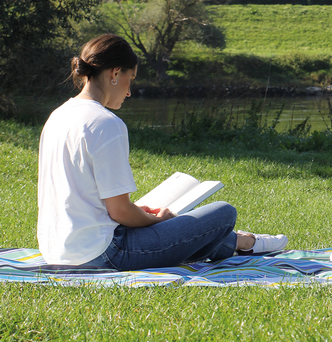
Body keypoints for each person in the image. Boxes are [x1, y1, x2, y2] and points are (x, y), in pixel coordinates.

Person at [37, 34, 287, 270]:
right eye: (130, 80)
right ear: (115, 73)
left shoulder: (57, 116)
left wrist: (142, 214)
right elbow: (120, 212)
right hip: (102, 253)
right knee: (223, 213)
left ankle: (239, 243)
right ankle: (241, 241)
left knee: (186, 226)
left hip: (56, 250)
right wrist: (159, 220)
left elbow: (90, 198)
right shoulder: (105, 123)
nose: (129, 92)